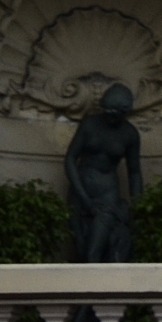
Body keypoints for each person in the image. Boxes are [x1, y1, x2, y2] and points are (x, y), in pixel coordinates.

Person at [65, 84, 143, 263]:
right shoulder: (90, 124)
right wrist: (82, 196)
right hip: (80, 189)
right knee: (80, 244)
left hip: (107, 195)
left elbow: (135, 173)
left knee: (93, 252)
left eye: (116, 114)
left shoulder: (130, 134)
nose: (111, 117)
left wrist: (139, 207)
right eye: (108, 112)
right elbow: (70, 158)